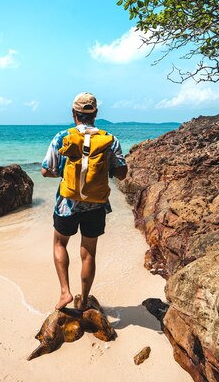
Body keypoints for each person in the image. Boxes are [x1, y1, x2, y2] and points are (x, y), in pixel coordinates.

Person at [41, 92, 128, 310]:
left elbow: (45, 171)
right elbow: (121, 174)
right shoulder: (110, 139)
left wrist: (65, 173)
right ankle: (85, 299)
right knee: (88, 252)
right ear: (96, 113)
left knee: (60, 243)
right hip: (96, 203)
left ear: (74, 113)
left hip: (67, 203)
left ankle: (65, 293)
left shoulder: (62, 137)